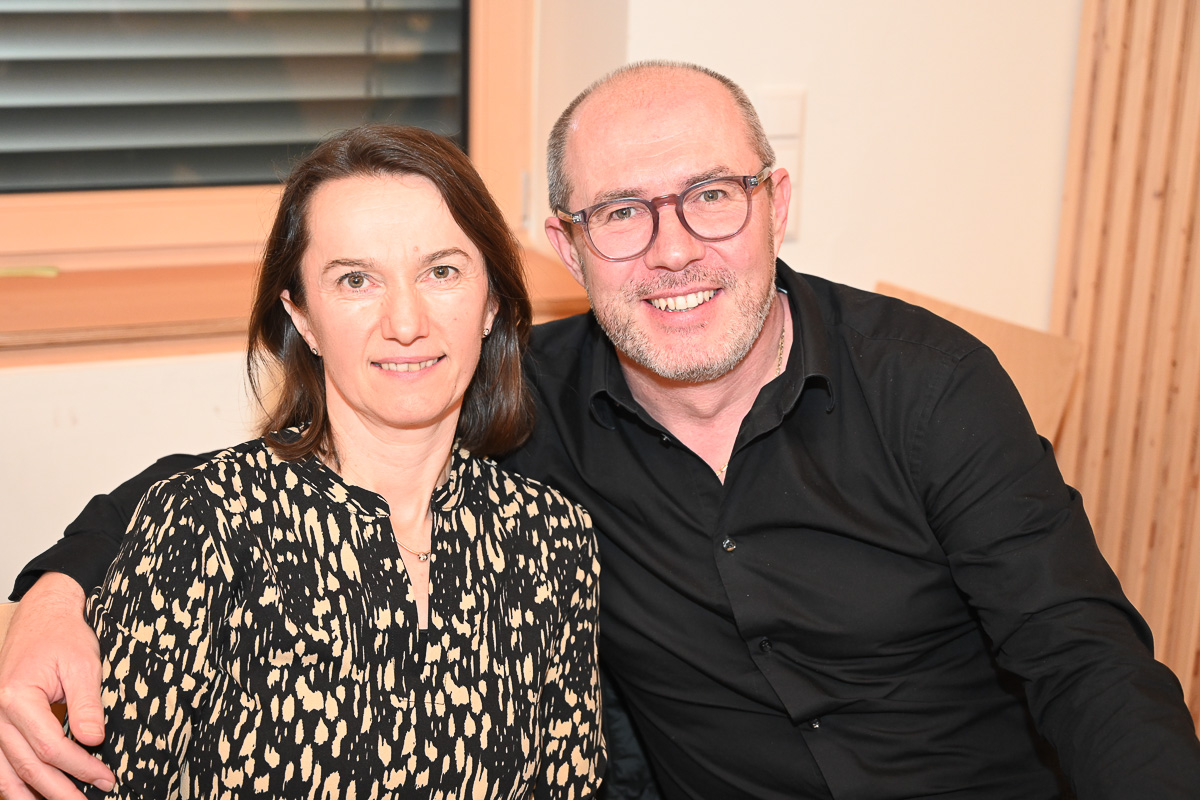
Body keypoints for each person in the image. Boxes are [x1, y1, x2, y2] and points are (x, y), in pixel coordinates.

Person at [2, 61, 1199, 800]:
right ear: (565, 245)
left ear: (776, 202)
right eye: (622, 212)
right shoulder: (532, 403)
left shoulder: (926, 384)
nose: (673, 250)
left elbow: (1084, 656)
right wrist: (54, 584)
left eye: (711, 196)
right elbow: (259, 473)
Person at [1, 124, 605, 799]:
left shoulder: (553, 540)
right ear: (304, 318)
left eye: (442, 272)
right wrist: (50, 594)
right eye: (356, 280)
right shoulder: (206, 528)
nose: (406, 322)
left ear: (491, 300)